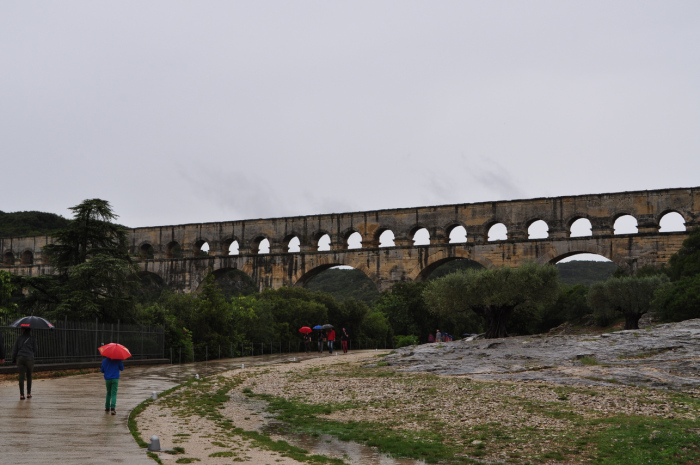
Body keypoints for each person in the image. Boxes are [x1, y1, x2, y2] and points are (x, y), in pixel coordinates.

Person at [12, 327, 38, 400]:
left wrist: (14, 359)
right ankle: (29, 393)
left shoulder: (19, 338)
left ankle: (21, 395)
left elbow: (15, 349)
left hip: (20, 358)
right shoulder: (33, 338)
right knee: (29, 375)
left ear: (23, 330)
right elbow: (36, 349)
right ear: (30, 330)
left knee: (21, 376)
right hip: (29, 358)